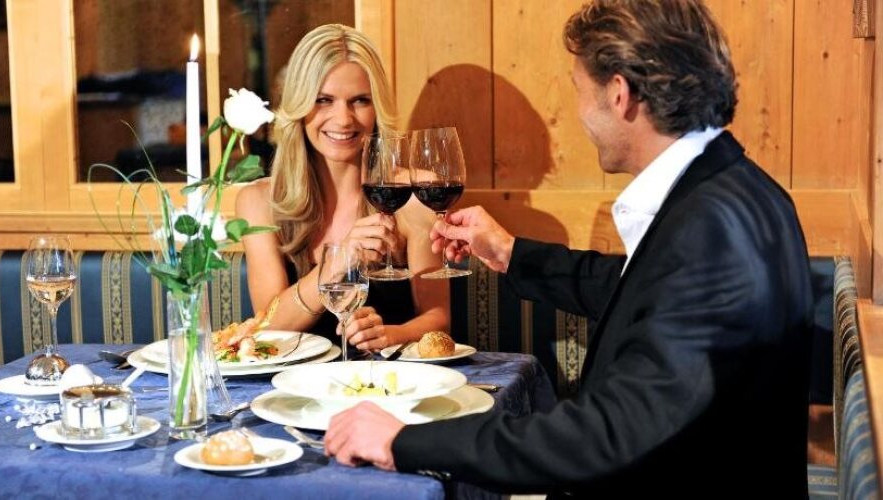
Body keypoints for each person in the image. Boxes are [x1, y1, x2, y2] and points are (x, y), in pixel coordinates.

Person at [323, 1, 814, 496]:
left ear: (619, 94)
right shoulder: (738, 189)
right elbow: (635, 290)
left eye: (579, 91)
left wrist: (406, 442)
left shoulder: (710, 227)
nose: (580, 114)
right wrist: (511, 253)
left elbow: (610, 434)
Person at [236, 24, 448, 351]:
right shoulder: (259, 201)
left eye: (360, 100)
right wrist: (338, 262)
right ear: (300, 106)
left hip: (392, 376)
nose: (344, 119)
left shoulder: (414, 194)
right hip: (295, 381)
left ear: (377, 108)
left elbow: (438, 318)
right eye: (323, 100)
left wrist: (389, 335)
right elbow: (268, 327)